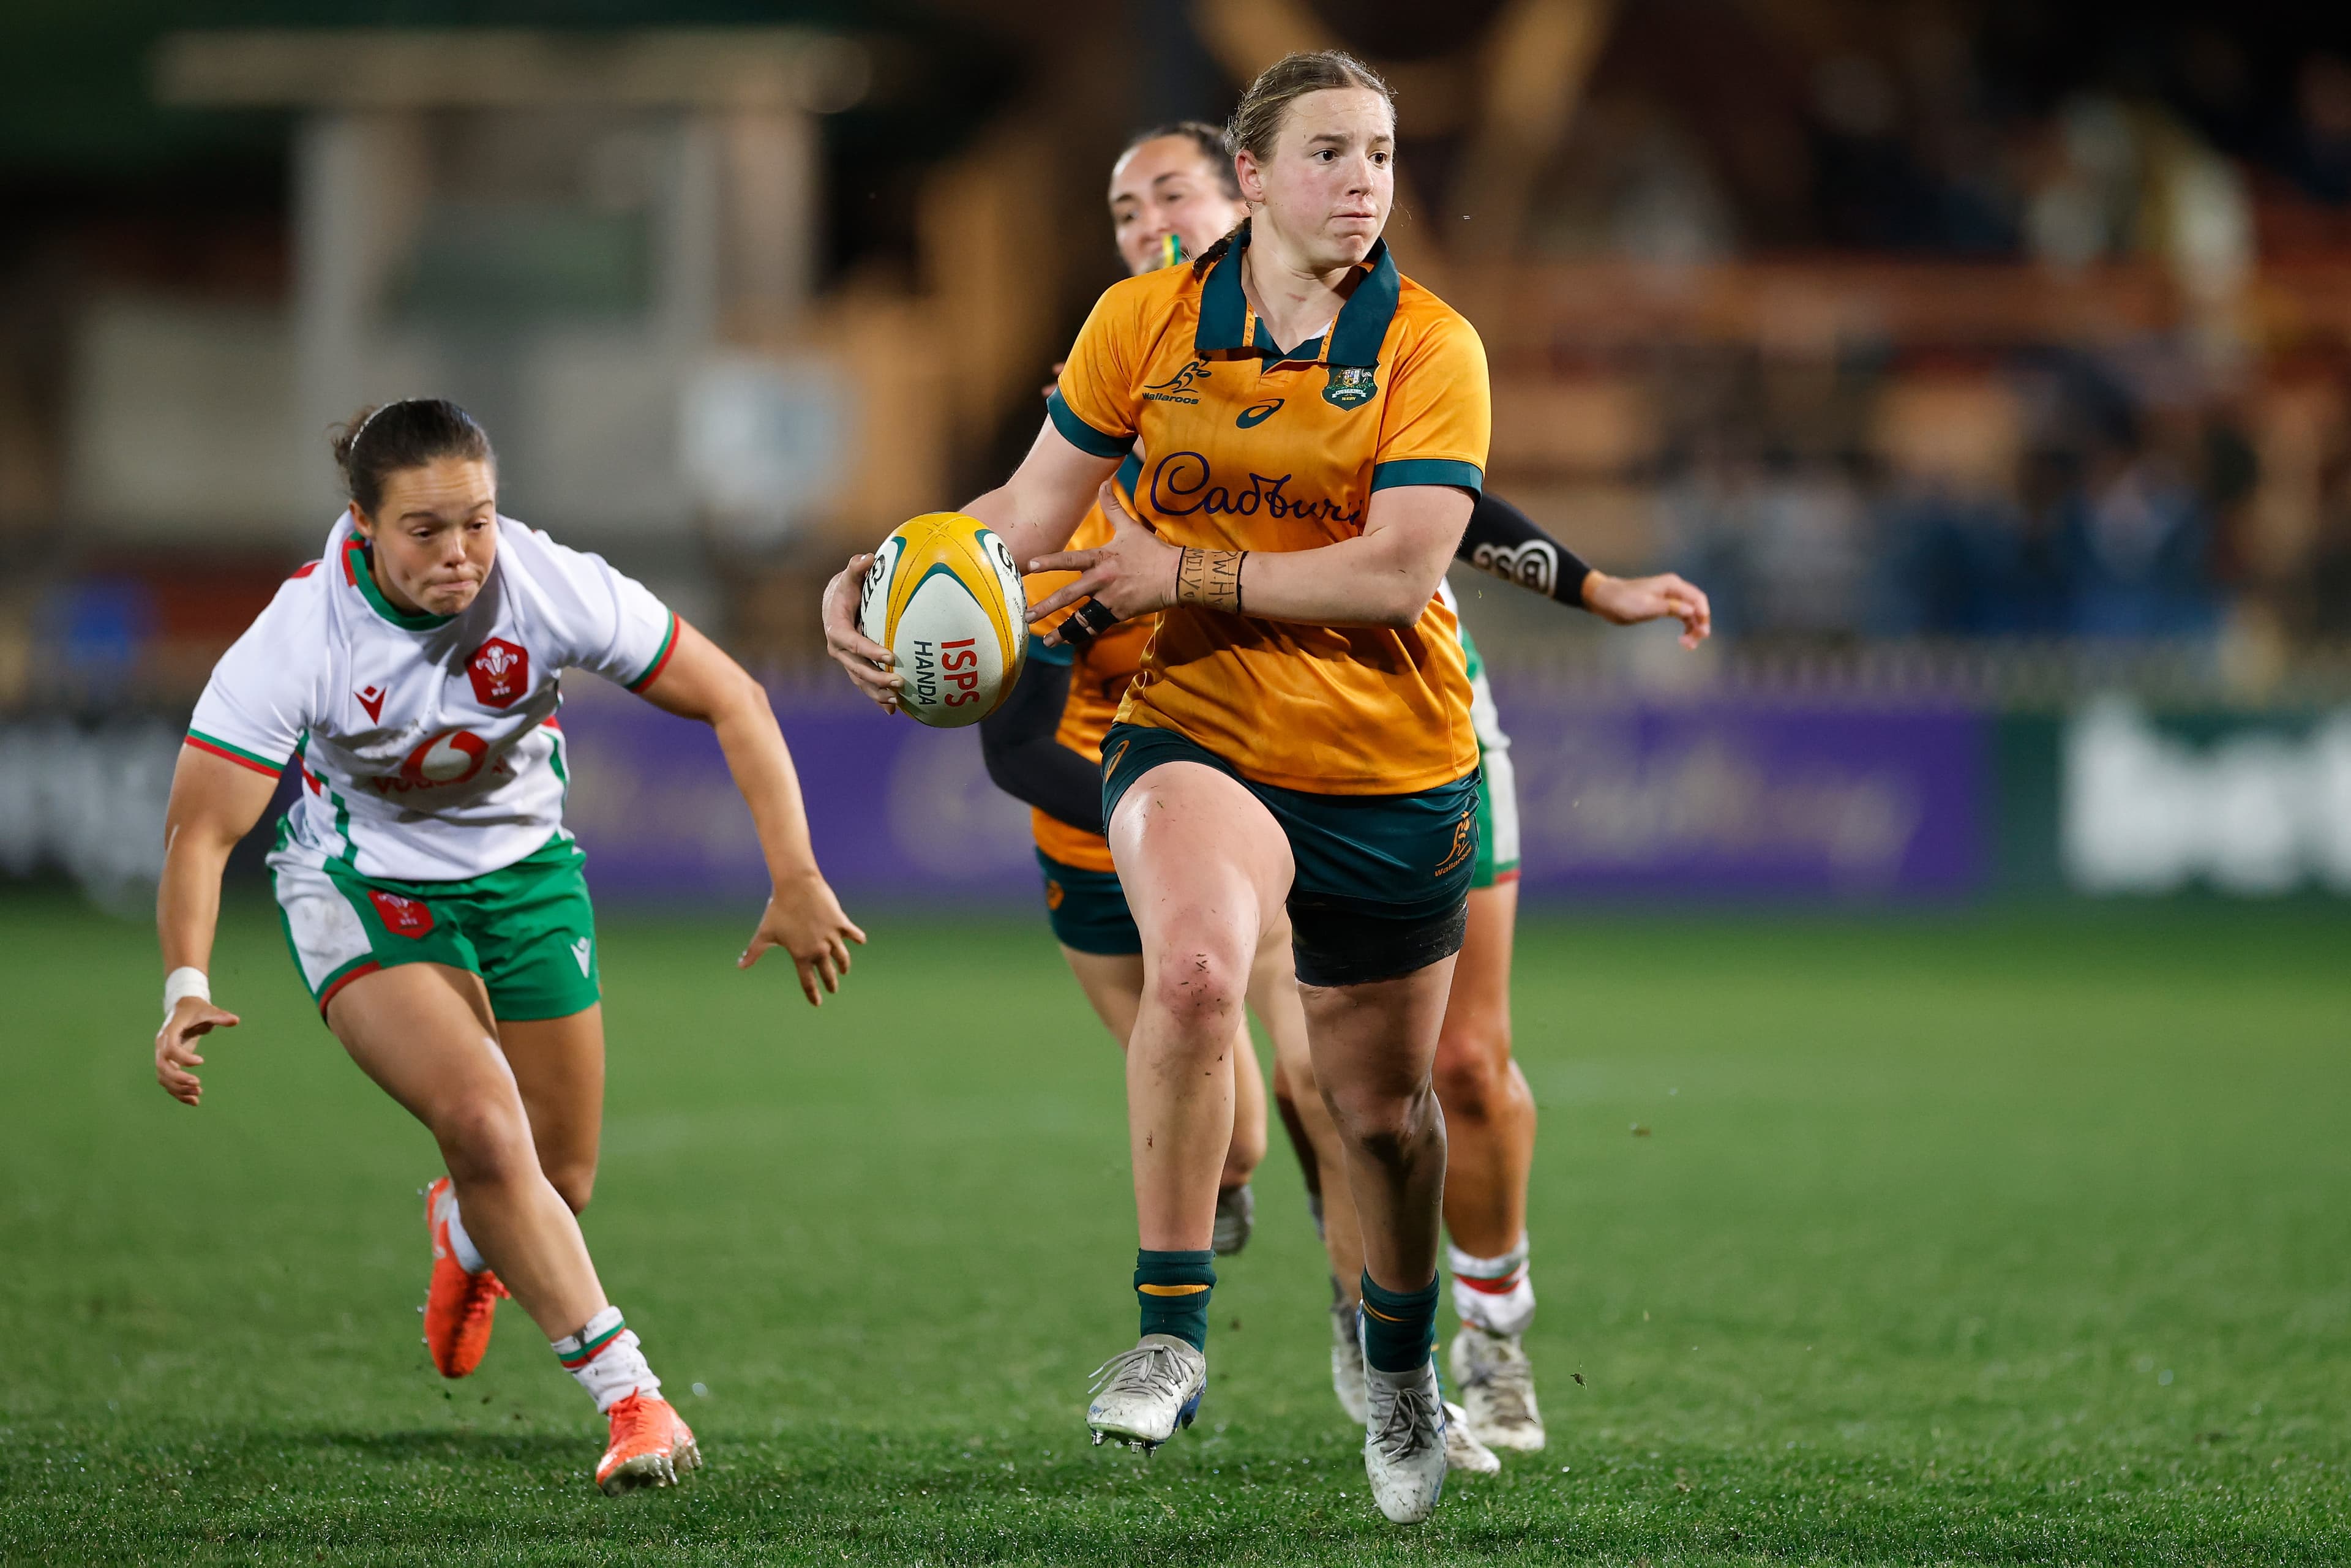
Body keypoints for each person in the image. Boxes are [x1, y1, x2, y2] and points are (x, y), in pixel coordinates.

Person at [979, 119, 1711, 1462]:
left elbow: (1442, 514)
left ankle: (1469, 1343)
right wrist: (908, 582)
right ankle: (1275, 1329)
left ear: (1241, 191)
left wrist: (1596, 584)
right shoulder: (1135, 352)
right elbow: (1019, 540)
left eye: (1172, 197)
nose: (1148, 227)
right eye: (1124, 210)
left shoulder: (1395, 337)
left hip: (1398, 729)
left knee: (1446, 1072)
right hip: (1219, 739)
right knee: (1250, 1046)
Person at [154, 399, 863, 1495]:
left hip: (528, 876)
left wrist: (798, 874)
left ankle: (466, 1229)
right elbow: (202, 827)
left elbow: (735, 696)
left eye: (478, 521)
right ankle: (636, 1400)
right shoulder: (303, 634)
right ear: (362, 526)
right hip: (361, 885)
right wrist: (186, 983)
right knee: (485, 1123)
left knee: (558, 1173)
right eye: (426, 530)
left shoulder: (544, 583)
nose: (460, 554)